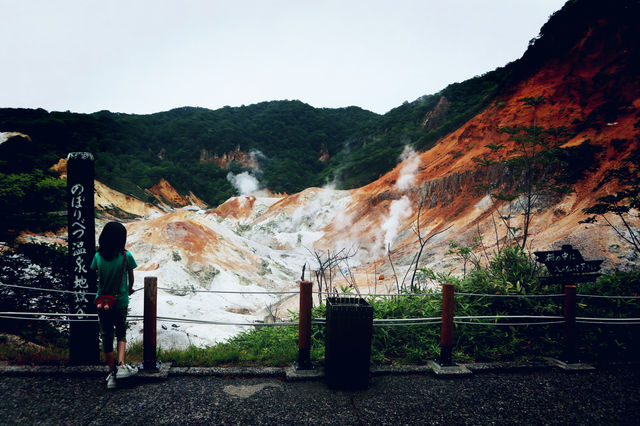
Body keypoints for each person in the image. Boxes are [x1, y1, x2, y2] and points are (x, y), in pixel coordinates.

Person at [91, 221, 138, 389]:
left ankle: (111, 374)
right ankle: (122, 366)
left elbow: (97, 274)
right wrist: (130, 288)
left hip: (102, 302)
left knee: (106, 335)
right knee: (121, 331)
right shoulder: (126, 256)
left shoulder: (97, 257)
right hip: (120, 301)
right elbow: (131, 278)